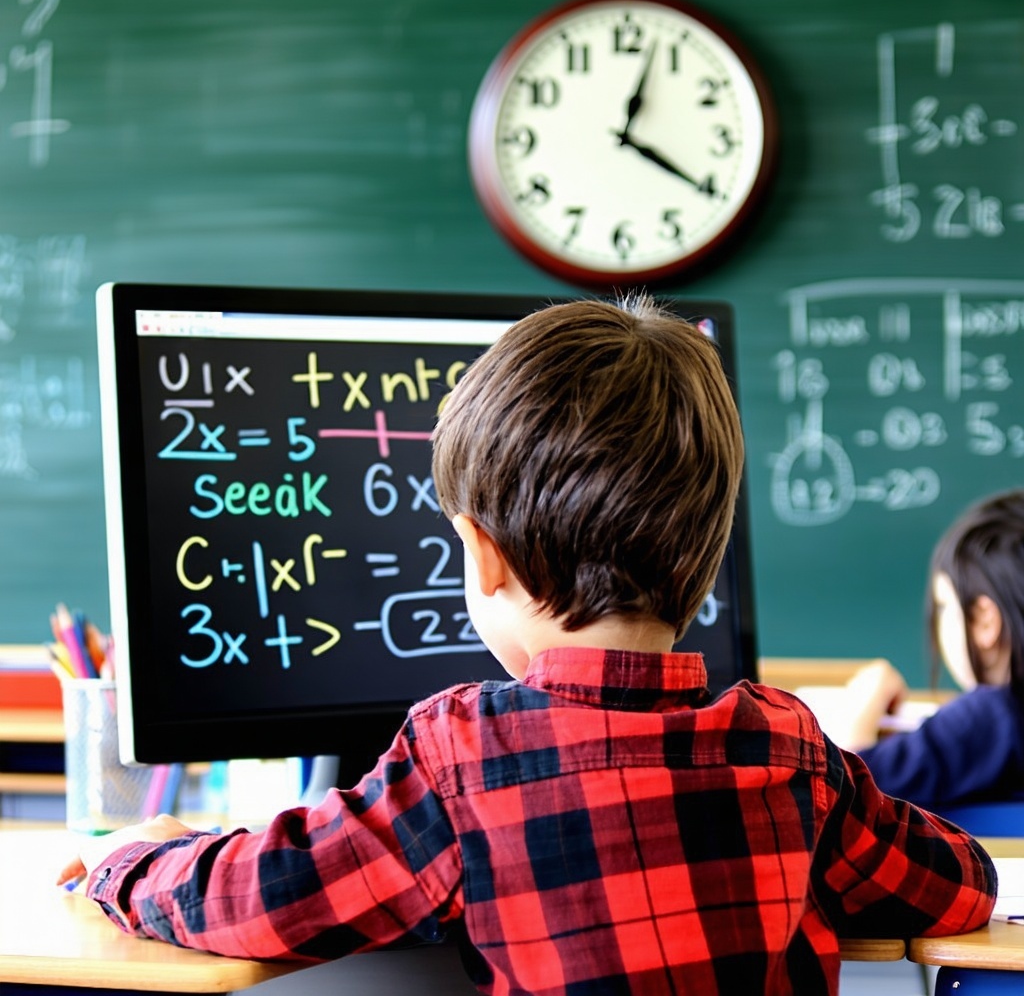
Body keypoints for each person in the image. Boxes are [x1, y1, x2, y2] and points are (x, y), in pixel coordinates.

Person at [58, 296, 994, 995]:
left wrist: (128, 862)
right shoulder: (789, 748)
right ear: (706, 564)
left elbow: (265, 897)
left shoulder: (462, 753)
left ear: (483, 556)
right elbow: (959, 891)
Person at [830, 489, 1024, 810]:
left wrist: (867, 698)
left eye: (944, 606)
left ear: (983, 621)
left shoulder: (992, 715)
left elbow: (848, 784)